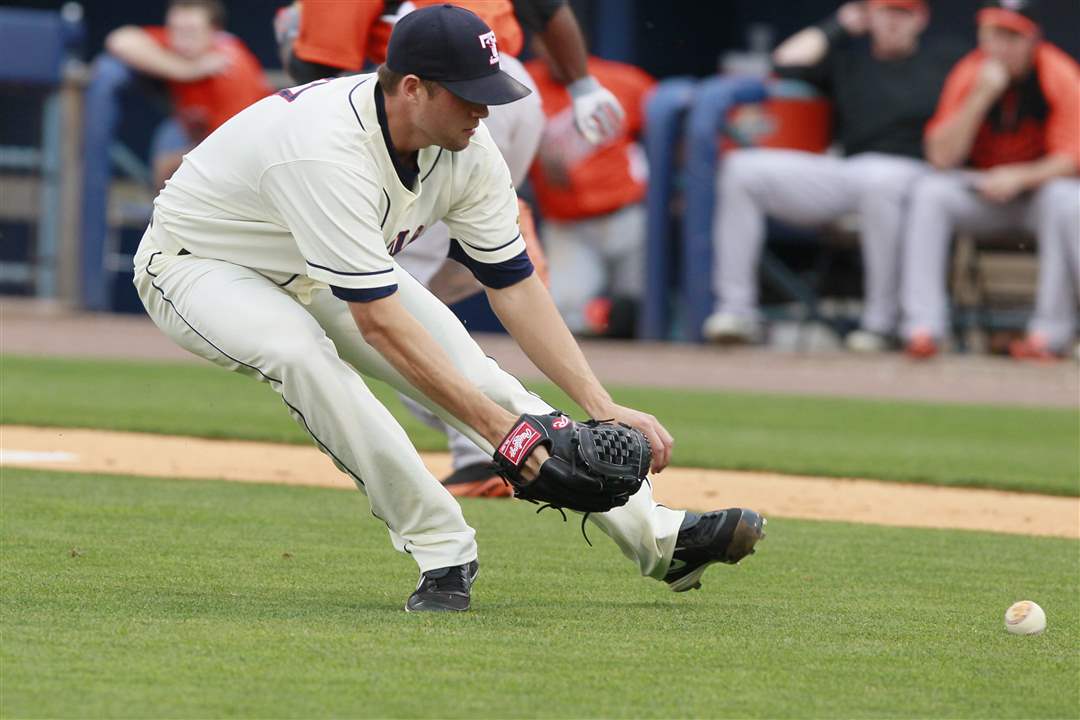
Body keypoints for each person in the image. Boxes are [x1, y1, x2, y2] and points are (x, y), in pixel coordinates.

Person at [132, 5, 765, 612]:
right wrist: (502, 437)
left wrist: (601, 405)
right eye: (467, 93)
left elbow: (514, 286)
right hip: (199, 266)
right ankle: (443, 553)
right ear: (412, 88)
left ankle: (664, 542)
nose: (483, 109)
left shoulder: (468, 147)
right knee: (302, 356)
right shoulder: (327, 149)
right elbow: (380, 325)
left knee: (484, 378)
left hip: (312, 263)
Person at [275, 0, 627, 496]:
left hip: (443, 97)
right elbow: (549, 9)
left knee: (379, 301)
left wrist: (295, 48)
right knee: (449, 260)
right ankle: (491, 239)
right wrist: (582, 83)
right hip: (507, 85)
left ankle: (480, 449)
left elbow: (323, 78)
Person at [702, 0, 960, 351]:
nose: (894, 22)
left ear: (921, 19)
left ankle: (880, 323)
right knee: (742, 171)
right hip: (847, 167)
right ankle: (735, 311)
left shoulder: (942, 62)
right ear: (871, 16)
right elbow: (784, 61)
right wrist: (838, 24)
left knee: (879, 180)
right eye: (887, 11)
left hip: (913, 172)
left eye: (904, 13)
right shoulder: (849, 58)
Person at [900, 0, 1080, 359]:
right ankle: (923, 328)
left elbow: (1073, 157)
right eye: (993, 34)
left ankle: (1050, 336)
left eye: (1011, 36)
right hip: (983, 192)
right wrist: (980, 98)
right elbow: (940, 156)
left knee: (1068, 199)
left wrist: (1021, 176)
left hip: (1037, 194)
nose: (1000, 46)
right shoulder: (971, 72)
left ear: (1033, 40)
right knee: (929, 192)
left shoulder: (1057, 71)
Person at [525, 51, 655, 337]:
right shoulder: (522, 84)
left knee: (643, 311)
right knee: (562, 319)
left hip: (628, 215)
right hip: (569, 227)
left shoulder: (623, 80)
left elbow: (673, 134)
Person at [104, 0, 269, 189]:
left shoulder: (231, 69)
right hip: (202, 137)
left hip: (253, 160)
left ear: (215, 31)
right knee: (170, 134)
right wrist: (185, 69)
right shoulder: (183, 51)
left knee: (170, 154)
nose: (181, 40)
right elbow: (120, 40)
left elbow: (239, 148)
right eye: (176, 30)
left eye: (191, 32)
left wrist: (173, 163)